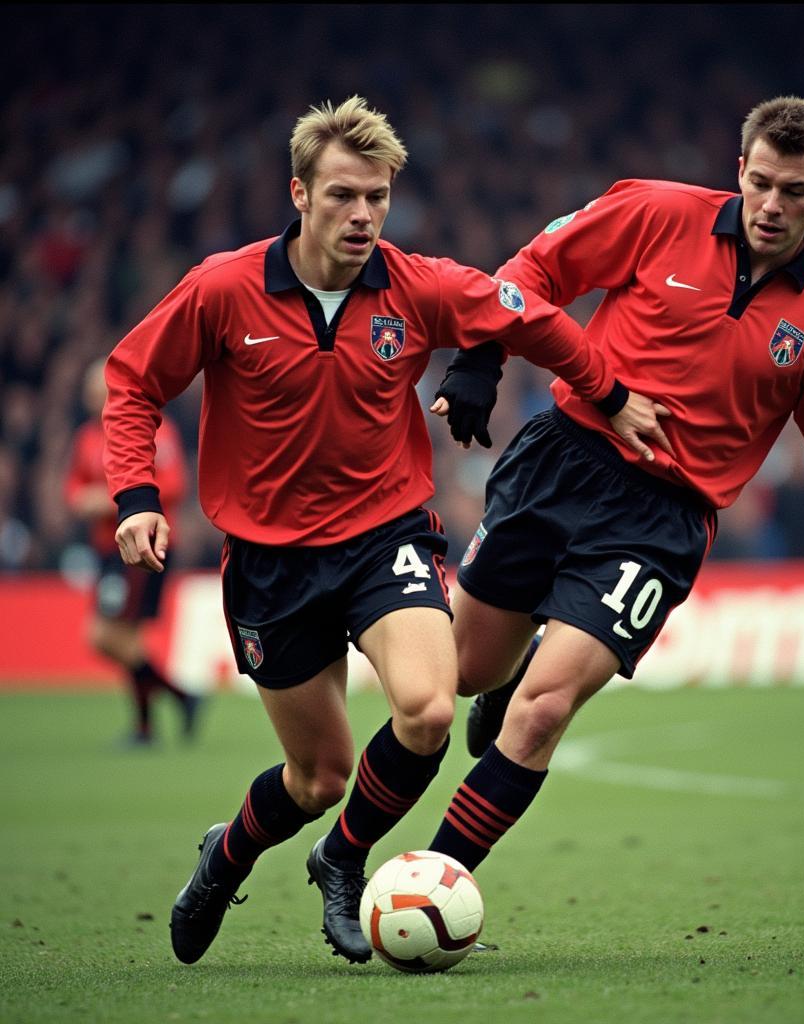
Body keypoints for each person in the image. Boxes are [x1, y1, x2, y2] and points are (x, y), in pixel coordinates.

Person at [101, 96, 666, 967]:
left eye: (377, 197)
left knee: (431, 710)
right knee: (318, 777)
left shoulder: (420, 284)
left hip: (383, 537)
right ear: (299, 194)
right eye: (341, 196)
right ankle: (228, 857)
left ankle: (343, 858)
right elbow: (133, 380)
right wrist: (136, 493)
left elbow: (535, 318)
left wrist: (611, 393)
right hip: (270, 561)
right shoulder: (223, 288)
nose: (361, 215)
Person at [425, 96, 804, 880]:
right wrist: (480, 357)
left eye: (797, 193)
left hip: (664, 520)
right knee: (463, 674)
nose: (774, 207)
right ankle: (491, 690)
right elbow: (537, 270)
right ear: (739, 169)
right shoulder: (654, 211)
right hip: (565, 459)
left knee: (544, 709)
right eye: (764, 184)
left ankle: (433, 886)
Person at [65, 357, 199, 746]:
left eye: (100, 393)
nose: (95, 402)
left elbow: (172, 484)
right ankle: (150, 723)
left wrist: (110, 502)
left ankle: (178, 699)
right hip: (108, 549)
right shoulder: (88, 437)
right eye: (91, 395)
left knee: (105, 636)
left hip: (145, 544)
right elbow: (73, 486)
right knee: (127, 638)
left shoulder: (155, 430)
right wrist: (81, 501)